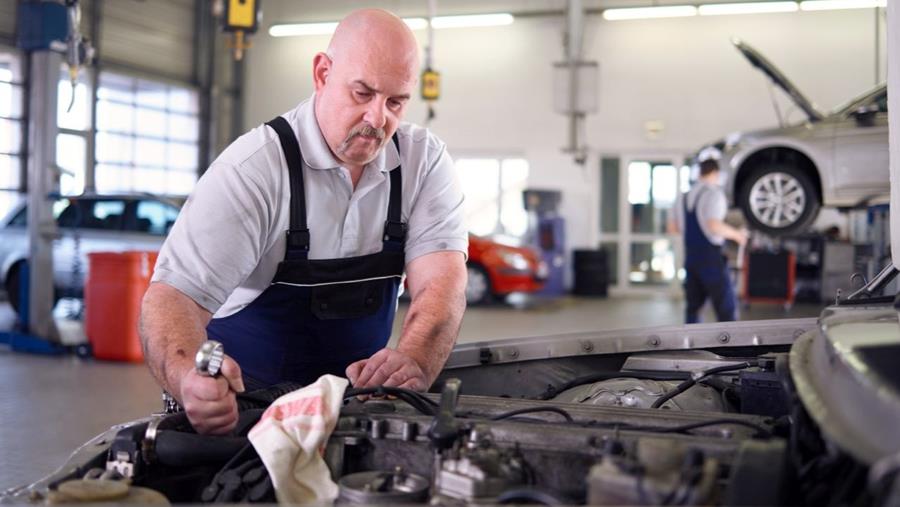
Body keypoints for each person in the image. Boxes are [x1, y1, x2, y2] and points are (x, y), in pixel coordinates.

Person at [139, 9, 468, 435]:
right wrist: (189, 380)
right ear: (322, 72)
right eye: (362, 93)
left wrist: (416, 360)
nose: (377, 119)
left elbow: (443, 281)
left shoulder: (423, 162)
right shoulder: (254, 170)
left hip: (356, 412)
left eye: (395, 102)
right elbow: (170, 299)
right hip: (246, 417)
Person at [668, 159, 748, 324]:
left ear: (699, 173)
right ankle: (732, 348)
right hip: (710, 258)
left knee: (693, 308)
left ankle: (691, 346)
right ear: (715, 173)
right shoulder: (714, 194)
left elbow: (672, 228)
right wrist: (737, 235)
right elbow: (714, 225)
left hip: (691, 258)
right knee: (726, 307)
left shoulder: (682, 197)